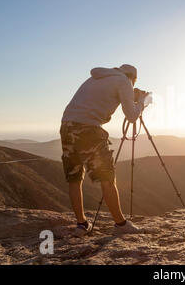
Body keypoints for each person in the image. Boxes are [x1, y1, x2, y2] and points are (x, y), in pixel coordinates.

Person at [60, 64, 149, 237]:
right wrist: (142, 103)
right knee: (107, 176)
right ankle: (120, 224)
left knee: (74, 177)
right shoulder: (124, 81)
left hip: (67, 126)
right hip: (89, 129)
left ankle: (81, 224)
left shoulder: (97, 77)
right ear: (133, 78)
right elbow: (131, 116)